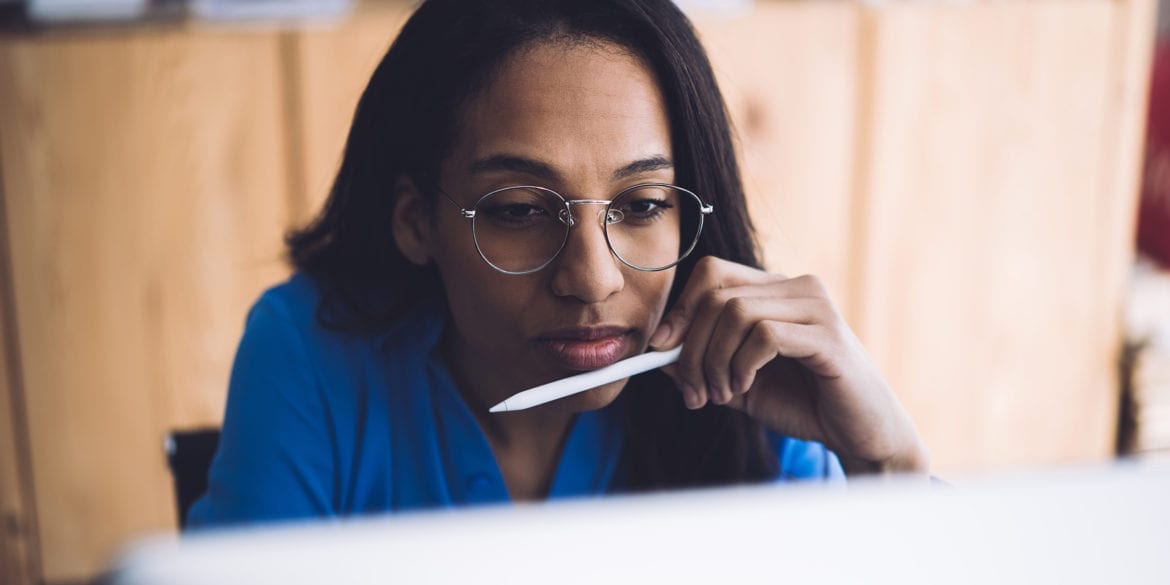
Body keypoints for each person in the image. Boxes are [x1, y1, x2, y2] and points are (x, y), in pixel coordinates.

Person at [187, 0, 929, 527]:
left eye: (640, 206)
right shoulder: (309, 356)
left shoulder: (751, 377)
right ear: (416, 219)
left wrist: (888, 462)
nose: (592, 278)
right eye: (518, 210)